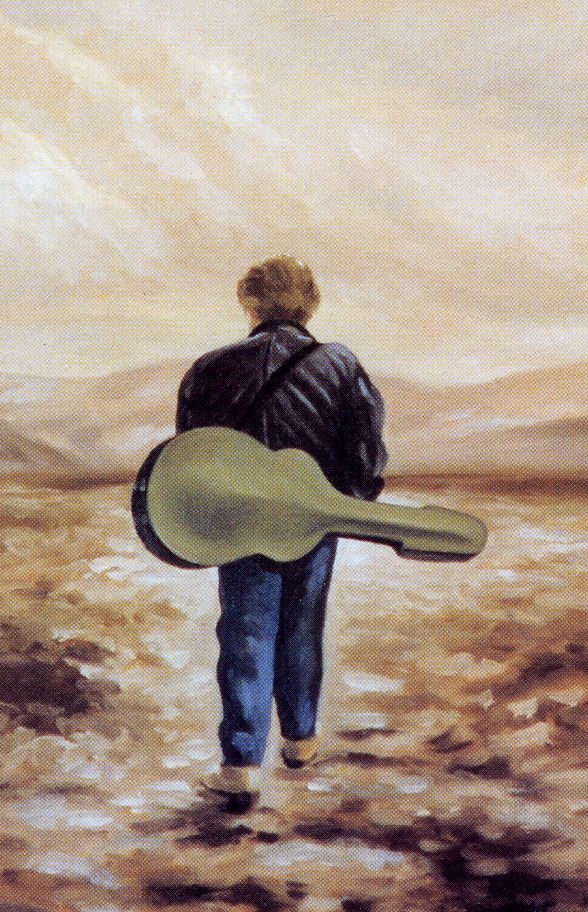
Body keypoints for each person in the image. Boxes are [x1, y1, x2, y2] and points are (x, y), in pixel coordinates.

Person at [175, 255, 388, 809]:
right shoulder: (340, 364)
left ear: (248, 305)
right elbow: (366, 449)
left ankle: (242, 764)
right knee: (303, 623)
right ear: (310, 306)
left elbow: (190, 456)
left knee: (245, 632)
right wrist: (348, 500)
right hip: (314, 516)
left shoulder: (209, 368)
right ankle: (300, 740)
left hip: (239, 519)